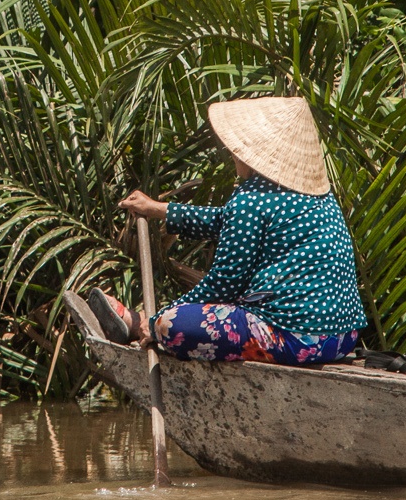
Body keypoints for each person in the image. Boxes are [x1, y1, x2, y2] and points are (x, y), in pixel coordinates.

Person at [89, 96, 367, 365]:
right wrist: (160, 209)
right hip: (342, 337)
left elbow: (224, 283)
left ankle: (138, 324)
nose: (232, 153)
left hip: (295, 337)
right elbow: (227, 220)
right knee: (175, 318)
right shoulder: (317, 194)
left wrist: (157, 320)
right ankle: (142, 321)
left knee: (170, 325)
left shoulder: (249, 200)